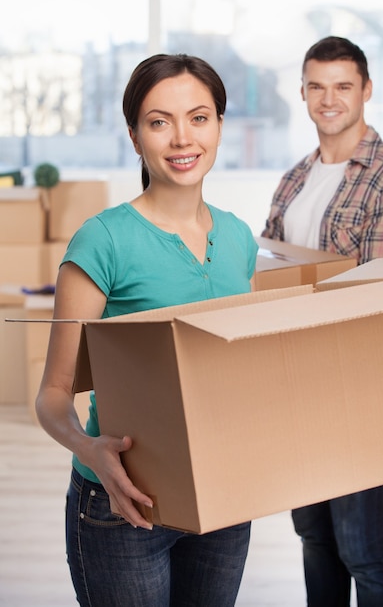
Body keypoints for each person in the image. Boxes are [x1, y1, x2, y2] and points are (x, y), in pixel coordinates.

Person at [35, 53, 258, 607]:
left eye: (199, 117)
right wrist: (91, 449)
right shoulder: (102, 242)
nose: (182, 138)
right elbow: (52, 395)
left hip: (222, 496)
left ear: (220, 126)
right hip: (122, 506)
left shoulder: (239, 240)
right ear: (135, 137)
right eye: (160, 122)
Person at [262, 36, 383, 607]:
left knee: (361, 543)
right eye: (318, 86)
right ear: (303, 92)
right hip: (295, 382)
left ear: (366, 91)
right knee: (313, 535)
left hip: (355, 387)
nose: (329, 99)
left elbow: (374, 300)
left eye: (343, 86)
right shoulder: (295, 178)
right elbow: (267, 271)